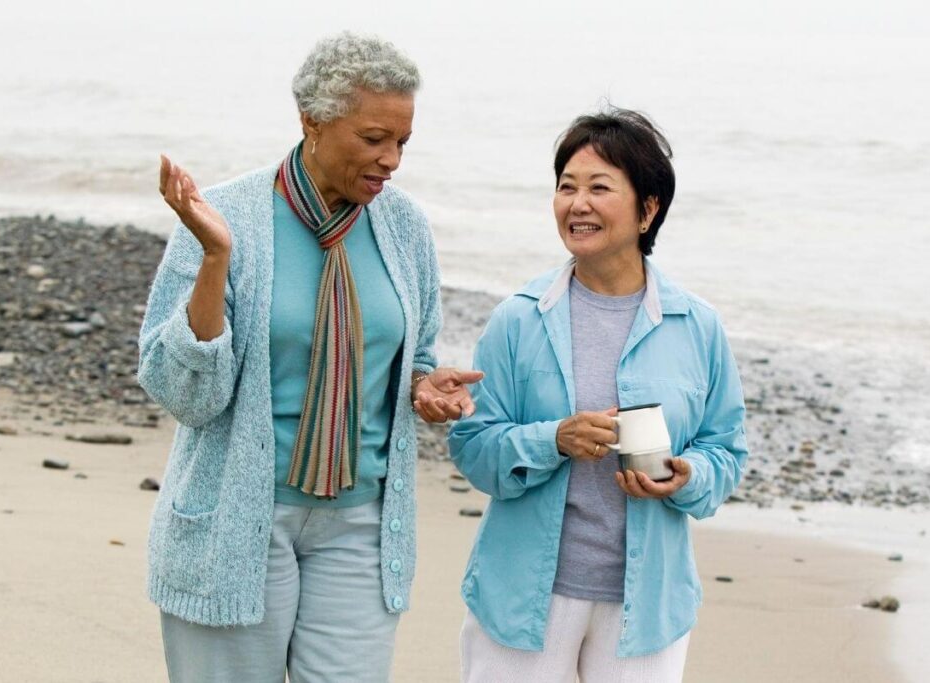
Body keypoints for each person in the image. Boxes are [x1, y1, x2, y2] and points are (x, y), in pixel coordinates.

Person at [138, 32, 480, 682]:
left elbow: (415, 357)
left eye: (403, 142)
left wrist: (426, 387)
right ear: (313, 121)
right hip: (240, 519)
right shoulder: (226, 216)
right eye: (374, 138)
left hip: (360, 523)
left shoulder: (405, 228)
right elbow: (187, 396)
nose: (392, 160)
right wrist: (216, 260)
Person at [448, 108, 748, 682]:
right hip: (523, 598)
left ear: (648, 208)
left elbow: (726, 449)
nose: (577, 203)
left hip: (647, 607)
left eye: (599, 188)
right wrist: (552, 439)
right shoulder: (518, 320)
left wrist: (688, 477)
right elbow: (473, 447)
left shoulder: (697, 326)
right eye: (566, 187)